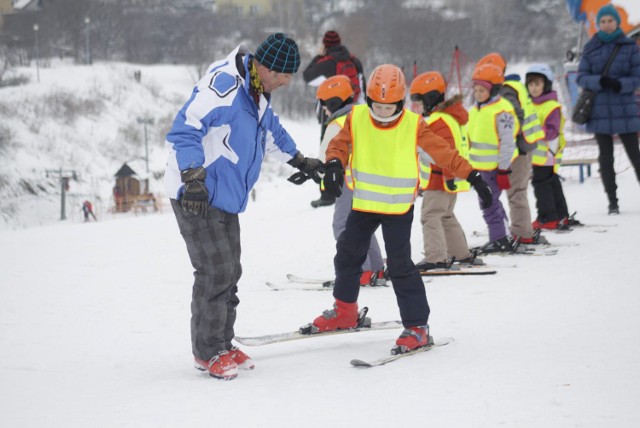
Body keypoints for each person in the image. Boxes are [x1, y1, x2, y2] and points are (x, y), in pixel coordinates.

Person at [164, 33, 324, 381]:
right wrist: (193, 178)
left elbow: (272, 131)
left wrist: (300, 160)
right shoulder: (223, 86)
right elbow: (184, 130)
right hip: (196, 192)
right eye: (283, 75)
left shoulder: (256, 92)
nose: (286, 82)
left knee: (230, 271)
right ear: (265, 67)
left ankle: (222, 343)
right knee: (214, 271)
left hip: (226, 195)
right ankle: (206, 352)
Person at [302, 64, 492, 355]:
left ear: (401, 102)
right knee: (347, 255)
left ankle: (417, 327)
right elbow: (339, 145)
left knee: (401, 266)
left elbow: (444, 153)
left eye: (389, 106)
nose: (383, 111)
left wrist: (473, 176)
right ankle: (345, 311)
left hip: (397, 208)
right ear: (368, 100)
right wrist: (335, 164)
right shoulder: (356, 118)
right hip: (364, 204)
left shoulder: (413, 124)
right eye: (377, 105)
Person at [316, 75, 386, 285]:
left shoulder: (336, 124)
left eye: (325, 106)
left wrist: (317, 174)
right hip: (370, 181)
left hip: (348, 183)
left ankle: (360, 272)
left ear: (333, 102)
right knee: (364, 226)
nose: (325, 111)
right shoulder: (365, 116)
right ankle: (375, 269)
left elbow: (324, 159)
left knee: (343, 227)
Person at [409, 71, 481, 270]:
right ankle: (460, 253)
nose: (420, 107)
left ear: (430, 98)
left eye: (421, 102)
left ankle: (435, 258)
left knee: (430, 216)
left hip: (440, 180)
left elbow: (447, 151)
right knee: (446, 215)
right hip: (448, 179)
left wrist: (449, 176)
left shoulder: (439, 122)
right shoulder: (451, 118)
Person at [476, 52, 546, 244]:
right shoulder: (515, 85)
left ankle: (522, 234)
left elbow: (514, 119)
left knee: (516, 192)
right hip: (525, 145)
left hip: (519, 149)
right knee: (518, 191)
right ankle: (521, 231)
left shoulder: (505, 90)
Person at [576, 4, 640, 214]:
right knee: (606, 157)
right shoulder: (591, 47)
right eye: (602, 21)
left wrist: (621, 84)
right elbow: (581, 76)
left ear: (617, 22)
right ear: (598, 24)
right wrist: (599, 81)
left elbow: (637, 76)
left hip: (624, 108)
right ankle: (612, 200)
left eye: (610, 21)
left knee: (635, 155)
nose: (606, 24)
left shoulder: (629, 47)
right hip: (599, 110)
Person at [303, 30, 366, 208]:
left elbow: (307, 76)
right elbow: (363, 83)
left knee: (328, 148)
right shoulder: (353, 60)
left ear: (325, 45)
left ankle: (328, 192)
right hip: (356, 109)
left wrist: (318, 55)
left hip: (332, 112)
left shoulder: (327, 62)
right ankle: (351, 184)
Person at [468, 63, 519, 253]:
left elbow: (507, 141)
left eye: (483, 90)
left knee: (488, 203)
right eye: (476, 89)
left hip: (496, 168)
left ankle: (499, 239)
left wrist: (503, 168)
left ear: (494, 89)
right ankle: (503, 235)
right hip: (480, 168)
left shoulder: (502, 110)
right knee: (491, 202)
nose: (478, 93)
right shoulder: (475, 110)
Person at [526, 64, 573, 230]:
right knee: (551, 182)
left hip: (547, 153)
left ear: (546, 84)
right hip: (537, 154)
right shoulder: (530, 105)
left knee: (541, 184)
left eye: (537, 84)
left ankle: (547, 217)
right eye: (530, 84)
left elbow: (551, 131)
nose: (533, 88)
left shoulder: (551, 106)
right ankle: (561, 214)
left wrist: (533, 132)